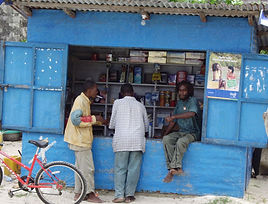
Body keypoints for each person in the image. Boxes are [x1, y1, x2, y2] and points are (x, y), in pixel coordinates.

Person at [64, 79, 107, 203]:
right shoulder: (80, 101)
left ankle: (78, 193)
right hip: (80, 141)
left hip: (79, 140)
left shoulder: (85, 100)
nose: (96, 91)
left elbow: (83, 119)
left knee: (79, 169)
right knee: (88, 169)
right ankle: (90, 194)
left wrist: (99, 120)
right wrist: (95, 118)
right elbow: (76, 120)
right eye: (95, 89)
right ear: (89, 90)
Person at [109, 83, 149, 203]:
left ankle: (119, 195)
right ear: (133, 93)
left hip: (122, 140)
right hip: (137, 140)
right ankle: (129, 196)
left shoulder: (117, 103)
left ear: (121, 93)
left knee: (120, 168)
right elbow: (146, 126)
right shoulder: (140, 105)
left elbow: (112, 124)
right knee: (134, 169)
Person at [162, 81, 201, 183]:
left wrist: (174, 116)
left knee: (181, 142)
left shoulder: (193, 101)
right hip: (181, 131)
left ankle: (175, 168)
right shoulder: (179, 103)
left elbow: (191, 113)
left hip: (193, 133)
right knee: (167, 139)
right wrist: (165, 134)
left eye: (184, 90)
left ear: (189, 91)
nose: (182, 93)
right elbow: (172, 122)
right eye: (180, 90)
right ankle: (174, 168)